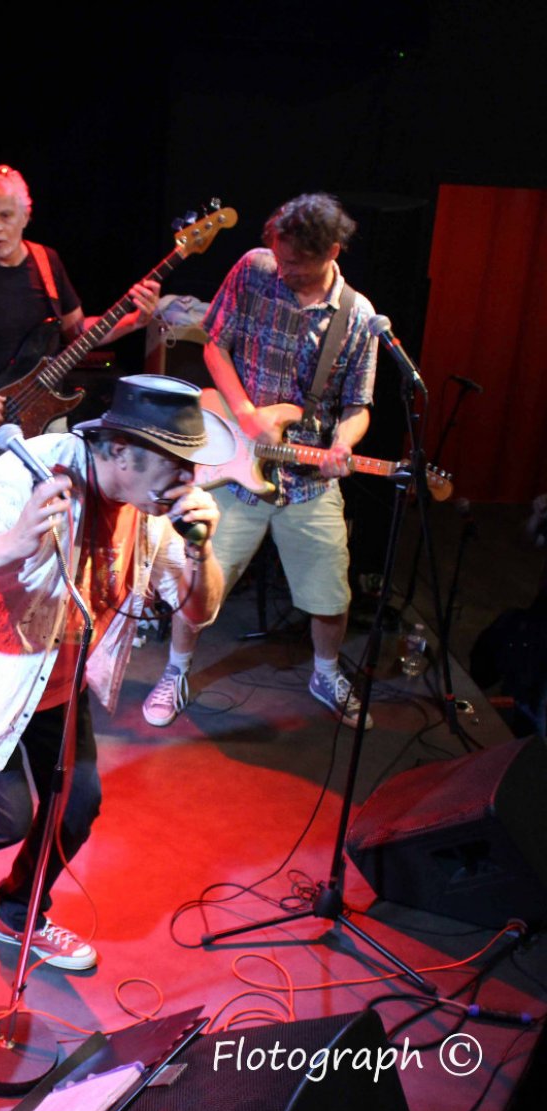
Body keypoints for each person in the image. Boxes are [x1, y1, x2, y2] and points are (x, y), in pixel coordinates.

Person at [0, 376, 233, 967]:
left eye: (190, 466)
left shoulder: (152, 507)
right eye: (175, 465)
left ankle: (19, 916)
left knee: (77, 807)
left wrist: (200, 549)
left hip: (56, 672)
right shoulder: (32, 474)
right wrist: (15, 541)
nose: (187, 482)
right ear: (120, 451)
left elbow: (199, 610)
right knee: (2, 818)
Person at [141, 193, 379, 731]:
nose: (283, 269)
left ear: (332, 252)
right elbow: (214, 345)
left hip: (307, 482)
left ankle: (325, 673)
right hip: (233, 466)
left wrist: (343, 445)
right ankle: (175, 671)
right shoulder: (254, 269)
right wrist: (246, 415)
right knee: (195, 588)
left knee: (331, 595)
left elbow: (357, 407)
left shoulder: (359, 316)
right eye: (280, 255)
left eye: (296, 263)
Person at [0, 162, 161, 494]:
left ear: (25, 216)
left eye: (6, 216)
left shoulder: (47, 262)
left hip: (46, 417)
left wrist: (133, 322)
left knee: (53, 512)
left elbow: (77, 332)